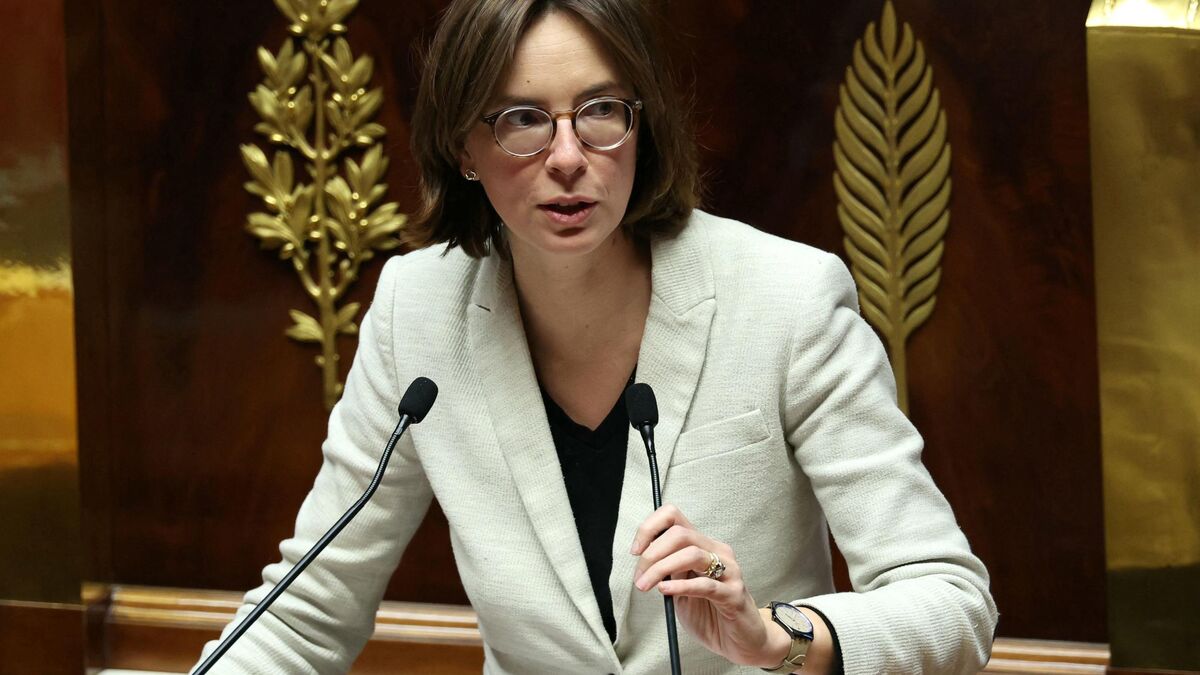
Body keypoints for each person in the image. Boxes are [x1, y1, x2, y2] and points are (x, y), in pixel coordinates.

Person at [195, 0, 997, 672]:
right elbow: (303, 614)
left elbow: (953, 603)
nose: (569, 157)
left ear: (641, 127)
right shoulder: (418, 312)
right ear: (465, 146)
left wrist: (774, 636)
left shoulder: (787, 300)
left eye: (602, 112)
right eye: (522, 120)